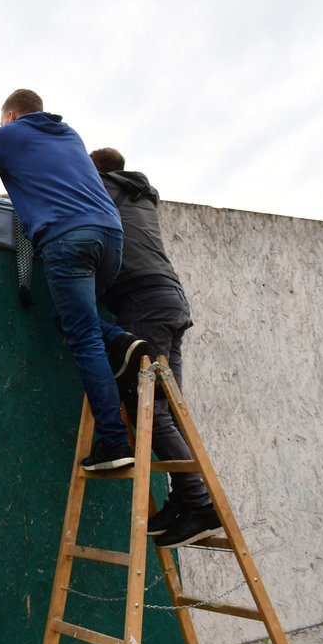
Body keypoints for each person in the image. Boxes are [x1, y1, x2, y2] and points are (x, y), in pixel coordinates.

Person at [0, 89, 150, 471]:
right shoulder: (70, 134)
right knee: (77, 321)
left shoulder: (7, 135)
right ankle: (123, 342)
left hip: (67, 239)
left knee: (84, 336)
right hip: (110, 238)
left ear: (9, 115)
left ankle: (115, 442)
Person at [90, 147, 222, 547]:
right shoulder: (139, 194)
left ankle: (198, 502)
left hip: (142, 301)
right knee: (166, 404)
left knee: (144, 400)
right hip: (170, 299)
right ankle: (187, 498)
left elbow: (67, 195)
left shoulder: (103, 188)